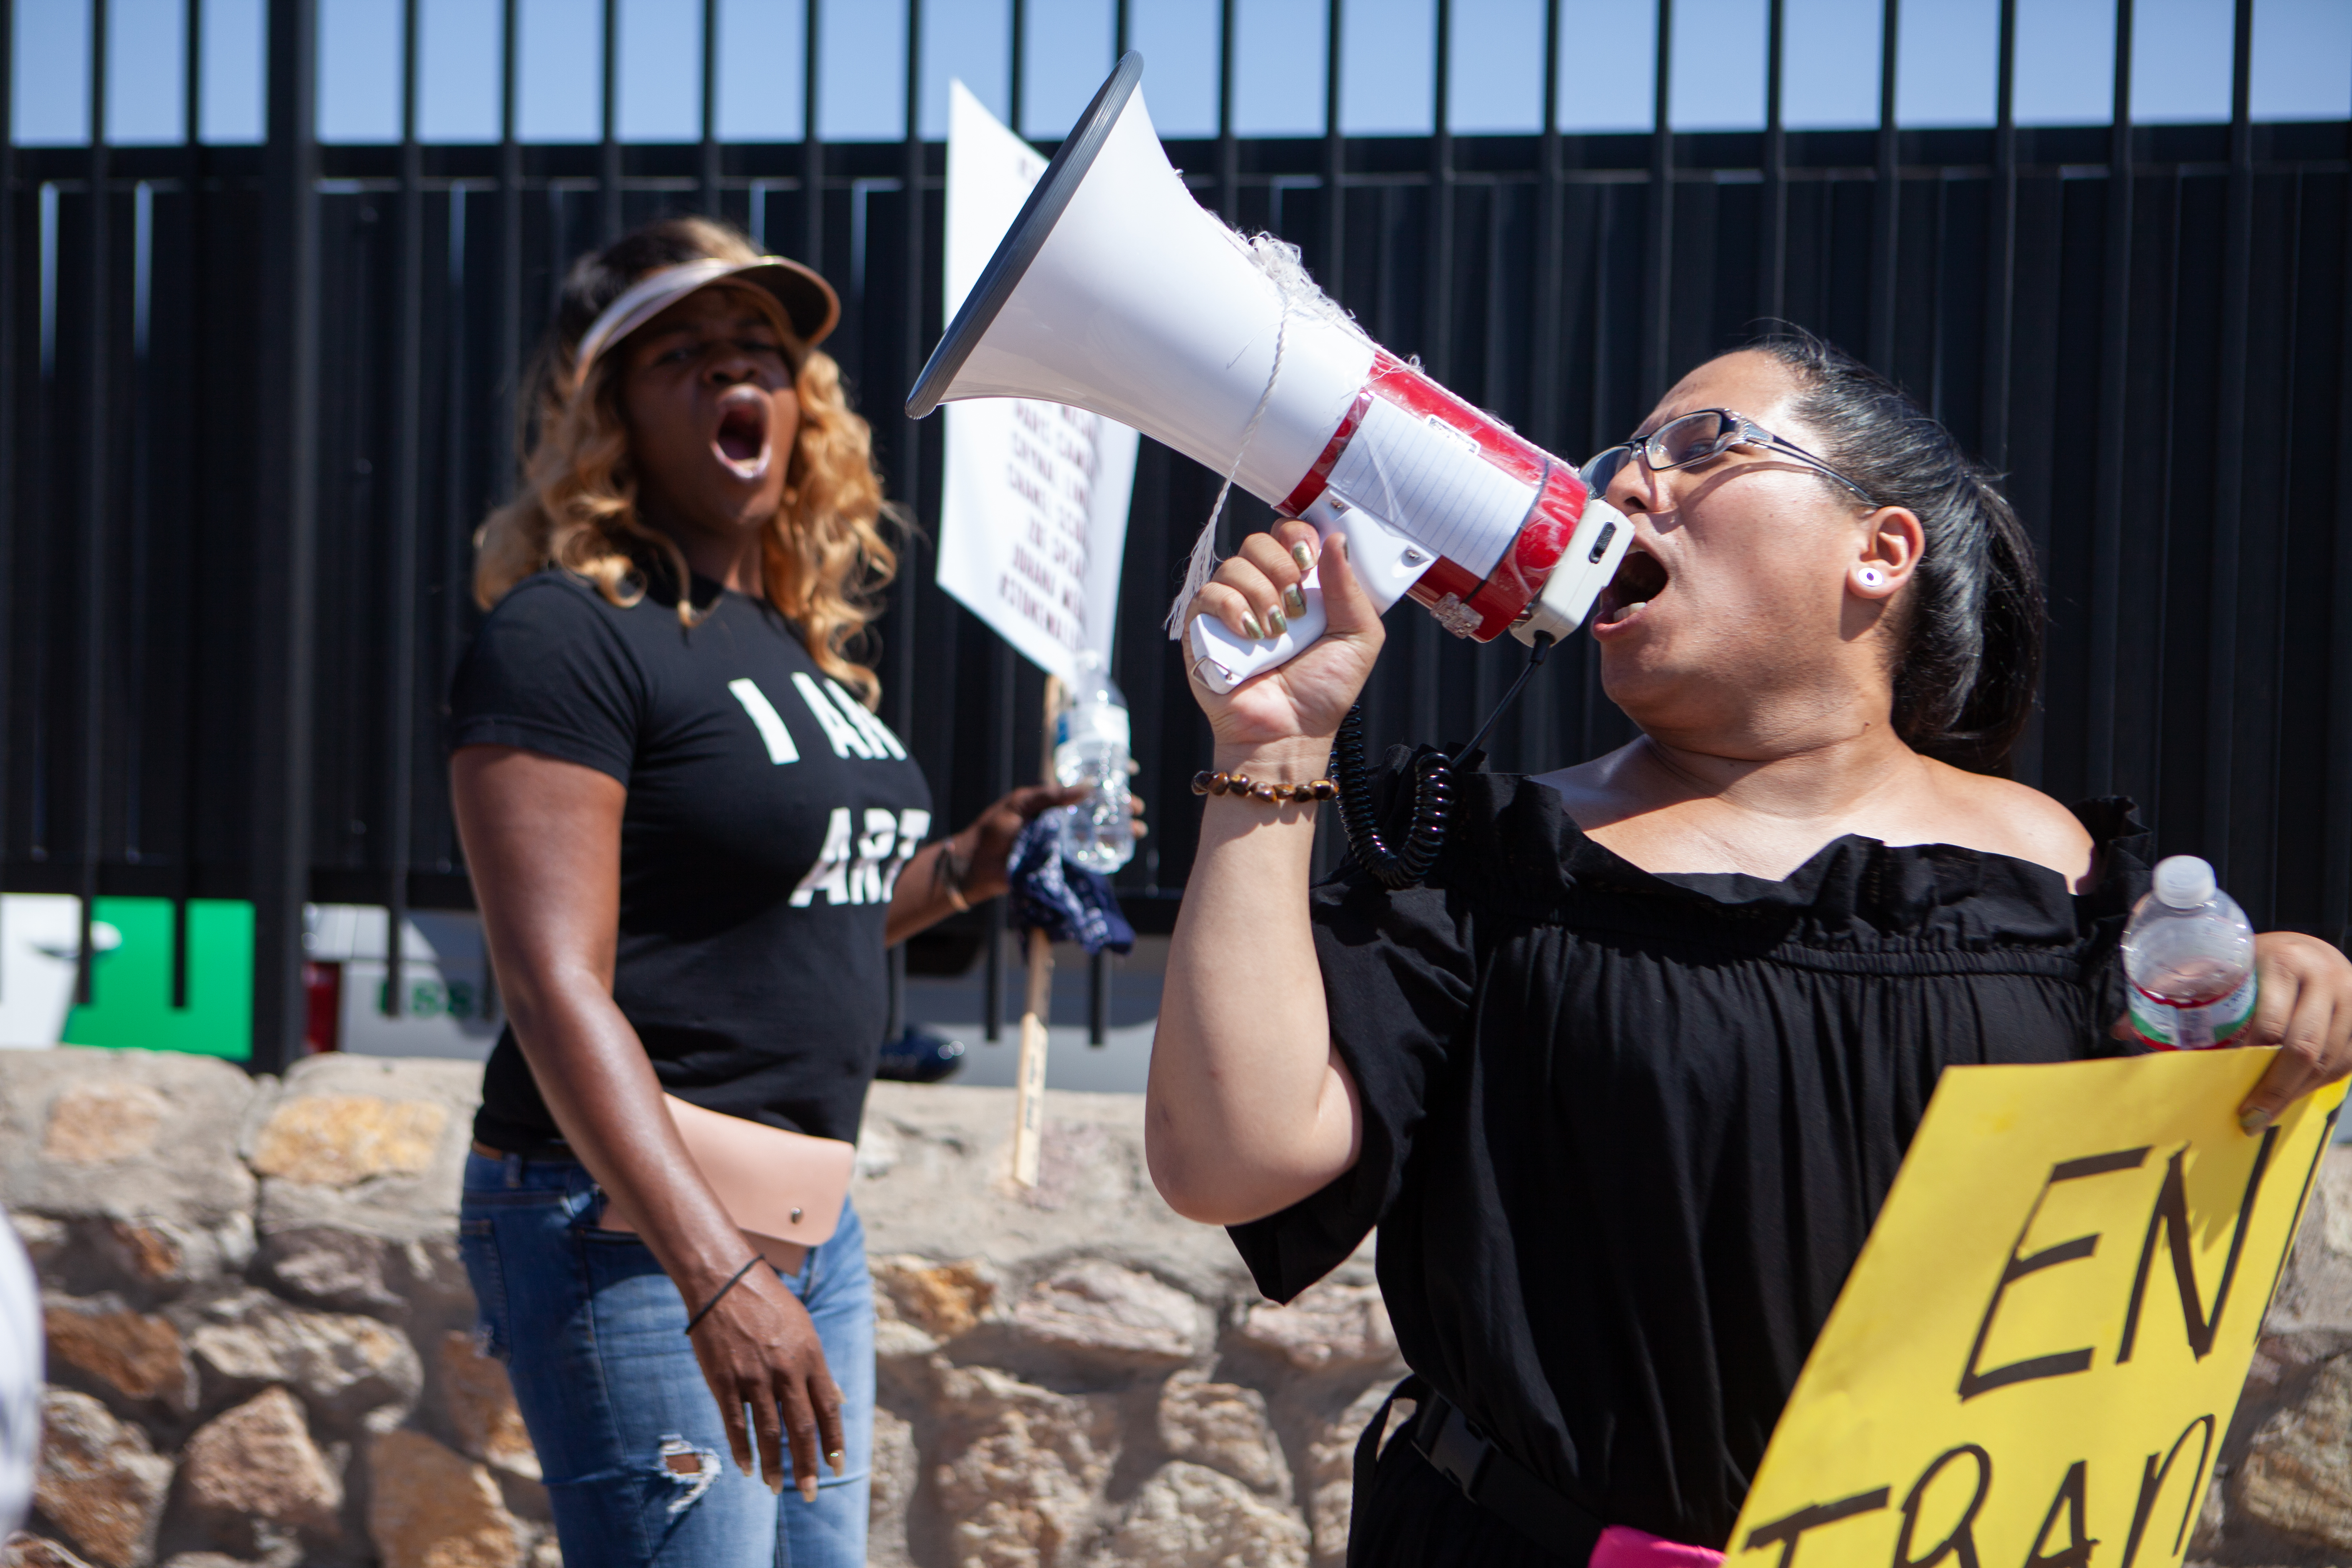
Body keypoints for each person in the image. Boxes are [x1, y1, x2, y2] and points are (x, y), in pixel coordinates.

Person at [1148, 331, 2352, 1566]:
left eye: (1698, 445)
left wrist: (2294, 995)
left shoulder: (2083, 890)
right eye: (1622, 456)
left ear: (1880, 552)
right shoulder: (1488, 859)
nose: (1622, 485)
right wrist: (1271, 752)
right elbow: (1229, 1162)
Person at [448, 217, 1121, 1568]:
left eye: (759, 352)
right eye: (683, 355)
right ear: (612, 412)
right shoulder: (567, 631)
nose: (733, 377)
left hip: (809, 1223)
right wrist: (719, 1275)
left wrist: (967, 868)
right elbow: (551, 985)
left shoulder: (785, 643)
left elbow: (771, 923)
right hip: (632, 1231)